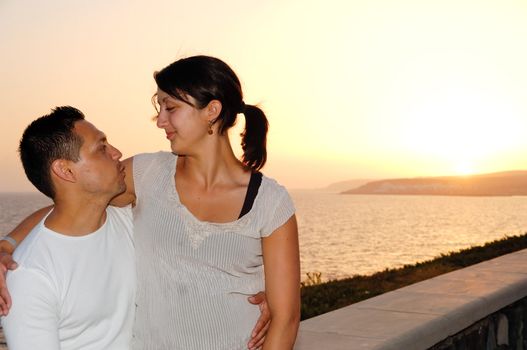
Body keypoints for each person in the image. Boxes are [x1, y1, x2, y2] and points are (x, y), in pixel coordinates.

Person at [2, 55, 300, 349]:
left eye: (170, 108)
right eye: (159, 109)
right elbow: (75, 203)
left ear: (212, 110)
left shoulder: (269, 203)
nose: (160, 121)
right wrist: (7, 245)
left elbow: (285, 319)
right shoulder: (146, 174)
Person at [1, 107, 136, 349]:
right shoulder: (30, 276)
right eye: (101, 148)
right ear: (65, 170)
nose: (117, 153)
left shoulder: (129, 220)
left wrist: (6, 242)